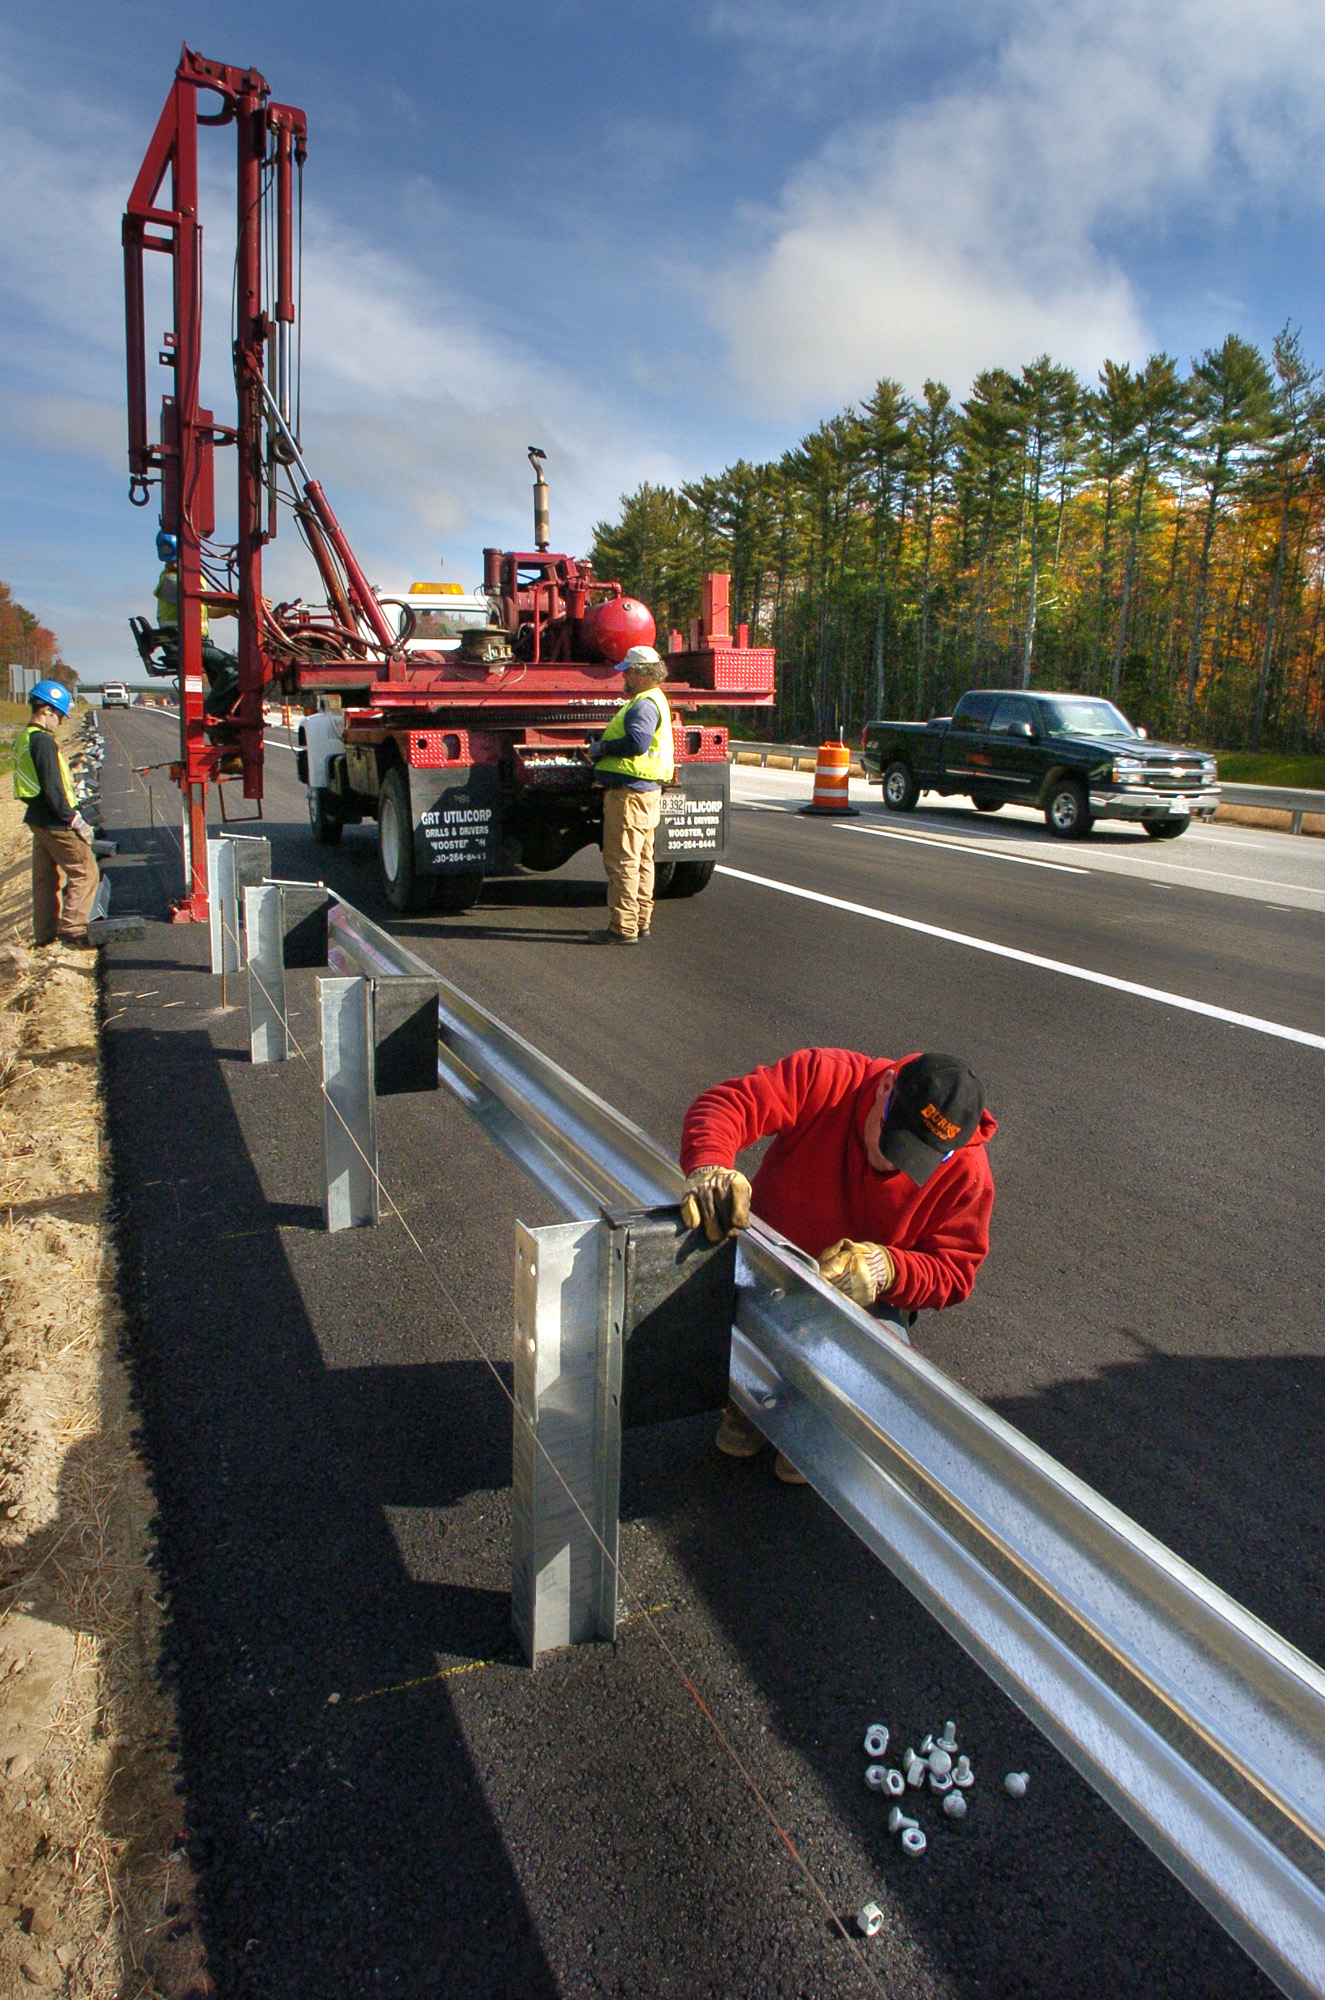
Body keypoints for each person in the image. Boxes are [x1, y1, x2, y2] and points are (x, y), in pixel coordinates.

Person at [680, 1049, 995, 1481]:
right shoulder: (827, 1078)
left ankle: (816, 1420)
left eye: (918, 1156)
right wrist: (711, 1163)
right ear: (886, 1089)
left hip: (856, 1299)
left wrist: (890, 1270)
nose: (890, 1161)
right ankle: (746, 1401)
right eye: (890, 1136)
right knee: (702, 1272)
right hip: (769, 1264)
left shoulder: (967, 1170)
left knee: (882, 1353)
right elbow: (729, 1104)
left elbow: (956, 1270)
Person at [588, 645, 674, 944]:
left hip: (629, 795)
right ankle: (640, 920)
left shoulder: (643, 704)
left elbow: (638, 741)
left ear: (638, 673)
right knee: (642, 859)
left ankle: (622, 928)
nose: (623, 675)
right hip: (647, 792)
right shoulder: (656, 699)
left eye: (627, 670)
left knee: (623, 860)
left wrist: (602, 748)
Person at [12, 680, 100, 950]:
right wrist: (74, 820)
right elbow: (53, 787)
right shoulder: (44, 744)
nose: (59, 722)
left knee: (44, 880)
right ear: (47, 710)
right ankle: (72, 931)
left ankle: (45, 936)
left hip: (38, 819)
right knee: (85, 871)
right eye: (59, 716)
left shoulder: (24, 739)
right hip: (55, 820)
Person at [153, 530, 240, 716]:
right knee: (235, 669)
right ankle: (212, 713)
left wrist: (230, 609)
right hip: (179, 642)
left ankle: (226, 714)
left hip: (195, 642)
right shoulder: (170, 581)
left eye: (175, 558)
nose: (172, 563)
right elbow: (197, 599)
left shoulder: (192, 579)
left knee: (222, 672)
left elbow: (206, 609)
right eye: (169, 559)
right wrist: (242, 600)